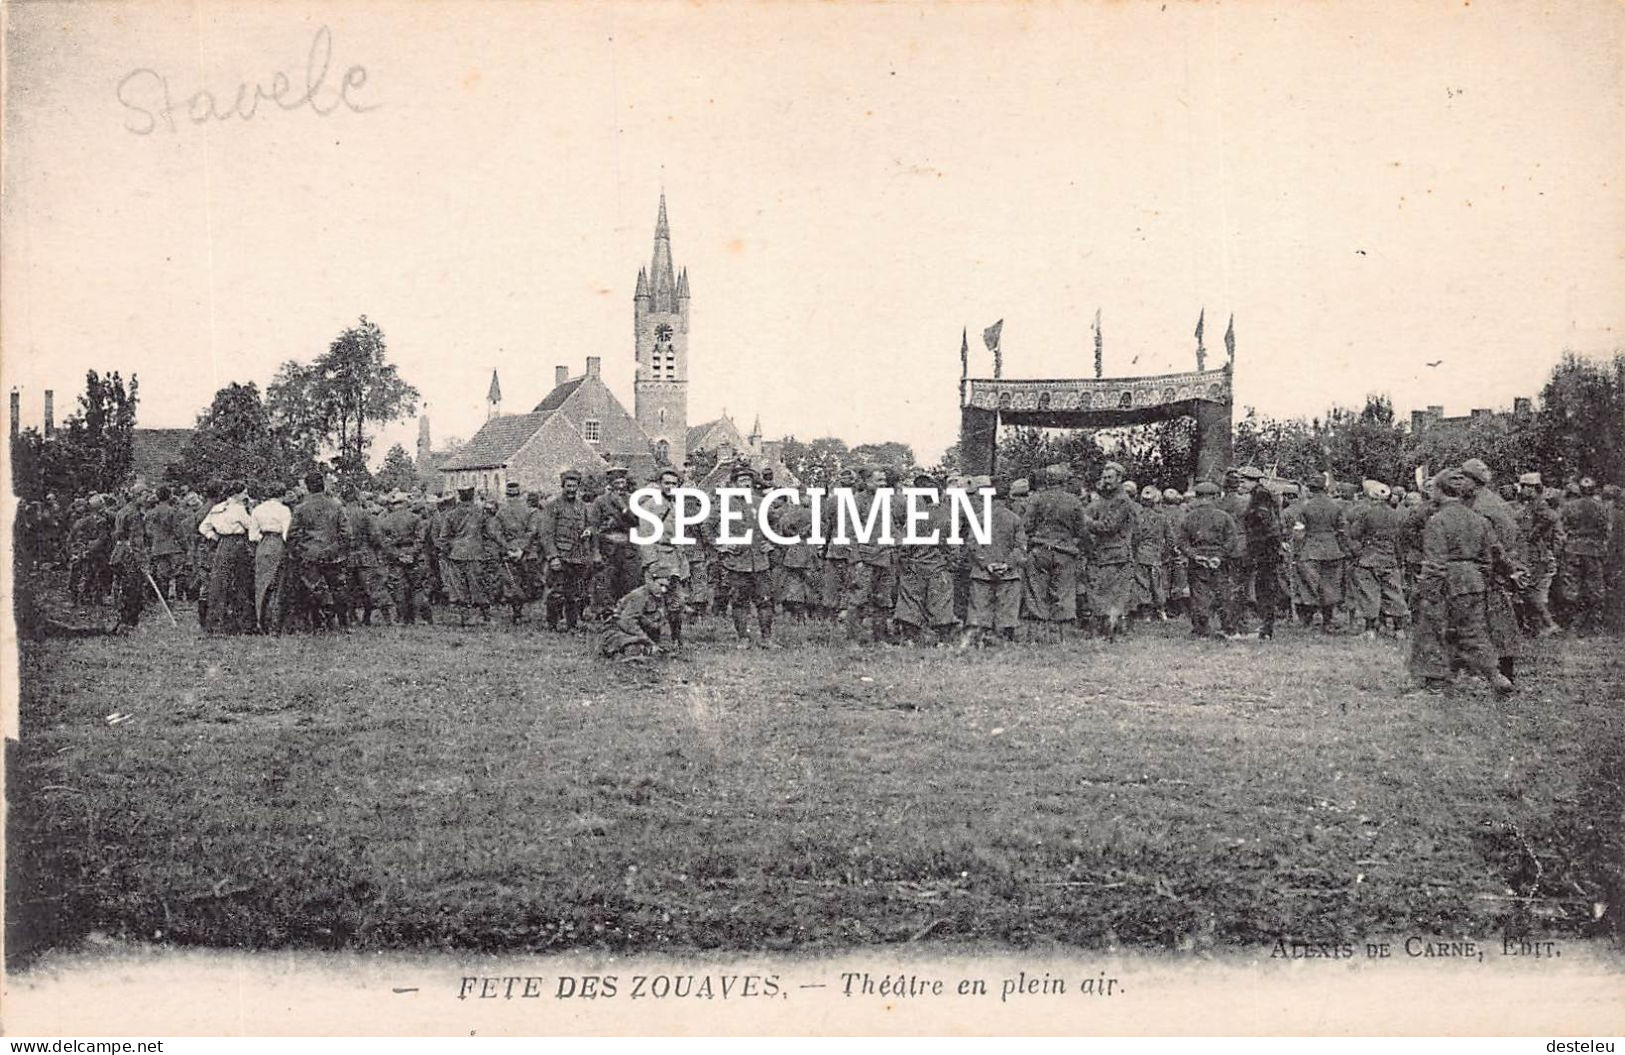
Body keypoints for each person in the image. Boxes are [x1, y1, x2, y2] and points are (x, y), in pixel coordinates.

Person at [1408, 470, 1513, 695]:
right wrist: (1478, 578)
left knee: (1432, 630)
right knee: (1474, 631)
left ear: (1439, 491)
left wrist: (1429, 591)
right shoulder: (1478, 519)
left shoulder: (1437, 521)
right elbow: (1488, 558)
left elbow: (1435, 562)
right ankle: (1496, 676)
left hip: (1448, 579)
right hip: (1474, 581)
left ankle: (1435, 683)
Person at [1022, 463, 1087, 640]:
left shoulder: (1036, 499)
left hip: (1040, 549)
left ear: (1048, 479)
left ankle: (1037, 636)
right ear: (1064, 480)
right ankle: (1061, 637)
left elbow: (1026, 525)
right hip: (1065, 551)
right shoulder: (1074, 501)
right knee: (1064, 594)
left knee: (1036, 592)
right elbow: (1081, 529)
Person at [893, 471, 958, 645]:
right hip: (938, 565)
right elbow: (952, 545)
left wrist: (904, 559)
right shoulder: (946, 516)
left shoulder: (916, 517)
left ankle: (910, 639)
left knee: (910, 602)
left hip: (916, 564)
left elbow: (906, 543)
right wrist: (950, 561)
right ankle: (942, 641)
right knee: (941, 603)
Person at [715, 466, 777, 647]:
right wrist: (721, 545)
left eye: (749, 481)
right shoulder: (725, 504)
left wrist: (772, 542)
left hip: (760, 561)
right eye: (742, 481)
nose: (746, 484)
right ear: (734, 484)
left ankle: (767, 638)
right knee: (739, 601)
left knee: (765, 601)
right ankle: (743, 637)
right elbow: (707, 525)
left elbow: (777, 523)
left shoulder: (761, 503)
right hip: (737, 561)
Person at [287, 471, 353, 630]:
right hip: (334, 554)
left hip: (311, 554)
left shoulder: (300, 508)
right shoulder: (336, 505)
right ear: (323, 485)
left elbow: (292, 535)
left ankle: (319, 624)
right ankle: (344, 624)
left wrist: (303, 551)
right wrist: (335, 548)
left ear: (308, 487)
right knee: (338, 588)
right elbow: (347, 533)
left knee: (314, 589)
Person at [965, 477, 1026, 645]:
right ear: (1007, 496)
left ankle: (979, 641)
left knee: (980, 611)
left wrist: (988, 564)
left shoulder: (979, 518)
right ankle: (1002, 641)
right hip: (1008, 574)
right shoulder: (1015, 519)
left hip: (982, 572)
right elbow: (1020, 547)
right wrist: (1007, 564)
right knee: (1006, 614)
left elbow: (973, 544)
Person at [1176, 482, 1239, 638]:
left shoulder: (1188, 518)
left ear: (1197, 498)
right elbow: (1232, 539)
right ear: (1216, 497)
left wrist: (1195, 556)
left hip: (1197, 561)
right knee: (1224, 594)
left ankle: (1202, 630)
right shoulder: (1224, 517)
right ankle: (1228, 628)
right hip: (1220, 561)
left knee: (1199, 596)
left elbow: (1182, 542)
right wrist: (1220, 556)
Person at [1345, 480, 1408, 637]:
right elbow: (1400, 539)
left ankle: (1371, 629)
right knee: (1394, 592)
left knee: (1370, 594)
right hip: (1390, 557)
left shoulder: (1366, 514)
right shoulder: (1396, 515)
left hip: (1369, 558)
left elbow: (1355, 533)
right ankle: (1399, 629)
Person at [1083, 463, 1138, 640]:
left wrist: (1086, 521)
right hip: (1106, 553)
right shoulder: (1108, 500)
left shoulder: (1121, 500)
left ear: (1119, 479)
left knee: (1111, 594)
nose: (1105, 482)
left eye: (1109, 478)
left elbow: (1109, 526)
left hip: (1115, 554)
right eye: (1104, 477)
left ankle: (1110, 631)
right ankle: (1109, 630)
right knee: (1105, 593)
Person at [198, 481, 258, 634]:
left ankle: (217, 621)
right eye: (244, 493)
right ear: (236, 494)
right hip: (237, 544)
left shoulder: (217, 508)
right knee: (241, 582)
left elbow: (203, 527)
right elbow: (250, 526)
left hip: (222, 545)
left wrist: (214, 537)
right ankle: (241, 623)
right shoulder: (238, 509)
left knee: (220, 582)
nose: (246, 496)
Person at [1290, 477, 1349, 631]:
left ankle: (1308, 621)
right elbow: (1342, 530)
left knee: (1308, 586)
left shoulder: (1304, 507)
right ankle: (1328, 621)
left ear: (1310, 489)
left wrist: (1296, 551)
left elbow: (1299, 532)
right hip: (1332, 549)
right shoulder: (1335, 507)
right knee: (1329, 585)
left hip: (1310, 549)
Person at [538, 470, 594, 631]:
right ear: (563, 486)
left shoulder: (582, 507)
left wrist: (588, 531)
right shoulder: (553, 506)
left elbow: (589, 524)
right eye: (568, 486)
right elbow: (546, 533)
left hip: (577, 557)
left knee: (574, 593)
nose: (571, 489)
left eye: (574, 486)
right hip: (560, 556)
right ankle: (552, 624)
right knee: (557, 592)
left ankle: (572, 624)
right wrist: (552, 557)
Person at [1559, 477, 1610, 634]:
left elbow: (1564, 527)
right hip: (1593, 550)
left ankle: (1573, 622)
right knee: (1595, 586)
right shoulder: (1601, 507)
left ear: (1580, 490)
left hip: (1573, 548)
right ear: (1594, 489)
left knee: (1572, 586)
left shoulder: (1569, 507)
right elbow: (1605, 529)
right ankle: (1595, 623)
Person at [1514, 472, 1563, 635]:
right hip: (1530, 551)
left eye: (1524, 486)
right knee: (1529, 590)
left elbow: (1551, 517)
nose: (1521, 490)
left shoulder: (1538, 504)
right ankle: (1538, 626)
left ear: (1532, 487)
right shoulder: (1532, 503)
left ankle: (1549, 624)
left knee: (1528, 589)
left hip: (1535, 553)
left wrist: (1535, 533)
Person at [438, 485, 494, 625]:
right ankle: (484, 616)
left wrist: (448, 551)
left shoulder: (451, 514)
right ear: (473, 495)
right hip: (476, 553)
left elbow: (443, 538)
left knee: (460, 586)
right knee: (478, 585)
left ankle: (466, 617)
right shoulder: (481, 512)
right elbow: (490, 533)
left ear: (459, 496)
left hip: (456, 554)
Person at [589, 468, 642, 611]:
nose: (620, 486)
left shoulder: (633, 500)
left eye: (622, 482)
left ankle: (625, 615)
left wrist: (623, 508)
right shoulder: (600, 501)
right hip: (607, 549)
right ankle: (606, 614)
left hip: (629, 549)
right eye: (616, 483)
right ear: (611, 484)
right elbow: (593, 527)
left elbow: (637, 522)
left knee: (629, 583)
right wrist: (595, 552)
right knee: (606, 584)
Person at [378, 491, 433, 625]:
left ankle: (402, 618)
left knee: (398, 588)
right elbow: (420, 540)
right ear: (405, 503)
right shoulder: (415, 518)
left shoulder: (385, 521)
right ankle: (418, 617)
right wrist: (411, 554)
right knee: (417, 587)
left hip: (396, 556)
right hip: (414, 555)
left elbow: (384, 543)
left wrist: (398, 555)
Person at [1241, 482, 1287, 640]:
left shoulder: (1258, 511)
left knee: (1263, 589)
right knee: (1267, 589)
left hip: (1260, 554)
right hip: (1268, 555)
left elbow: (1259, 532)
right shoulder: (1273, 512)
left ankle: (1265, 625)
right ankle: (1267, 624)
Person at [249, 480, 294, 633]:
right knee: (279, 584)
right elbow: (287, 534)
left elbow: (252, 535)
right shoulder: (284, 510)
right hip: (277, 544)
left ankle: (260, 622)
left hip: (262, 545)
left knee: (261, 584)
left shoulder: (257, 509)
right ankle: (275, 624)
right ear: (281, 495)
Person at [600, 572, 673, 659]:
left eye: (666, 587)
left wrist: (664, 645)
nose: (663, 590)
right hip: (618, 629)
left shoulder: (658, 596)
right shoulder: (640, 596)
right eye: (660, 585)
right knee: (634, 649)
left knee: (655, 650)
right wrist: (648, 641)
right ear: (650, 582)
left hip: (636, 631)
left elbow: (661, 622)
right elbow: (627, 622)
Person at [110, 489, 151, 630]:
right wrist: (143, 562)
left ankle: (123, 619)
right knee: (134, 589)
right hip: (130, 556)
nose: (147, 499)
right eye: (145, 496)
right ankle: (130, 623)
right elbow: (136, 541)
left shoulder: (122, 511)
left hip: (119, 553)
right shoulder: (134, 515)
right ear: (136, 496)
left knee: (122, 587)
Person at [1131, 485, 1172, 621]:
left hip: (1141, 554)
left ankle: (1146, 613)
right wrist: (1165, 553)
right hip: (1156, 555)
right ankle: (1161, 610)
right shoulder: (1162, 517)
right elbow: (1170, 538)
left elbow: (1135, 537)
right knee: (1157, 584)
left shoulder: (1137, 517)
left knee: (1143, 583)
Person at [144, 486, 188, 602]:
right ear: (169, 496)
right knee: (179, 571)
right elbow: (178, 531)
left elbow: (147, 531)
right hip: (173, 546)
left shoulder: (150, 513)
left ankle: (163, 597)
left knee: (162, 573)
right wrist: (185, 546)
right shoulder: (172, 511)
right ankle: (179, 597)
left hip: (158, 546)